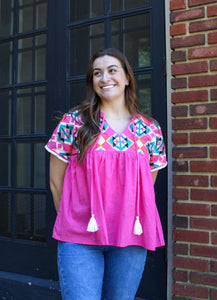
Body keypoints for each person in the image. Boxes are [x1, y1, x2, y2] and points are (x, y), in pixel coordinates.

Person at [45, 48, 167, 300]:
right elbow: (56, 182)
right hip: (80, 239)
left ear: (126, 78)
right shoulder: (74, 122)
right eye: (97, 73)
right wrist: (72, 219)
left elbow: (146, 185)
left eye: (112, 70)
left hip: (130, 239)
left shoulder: (149, 129)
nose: (104, 78)